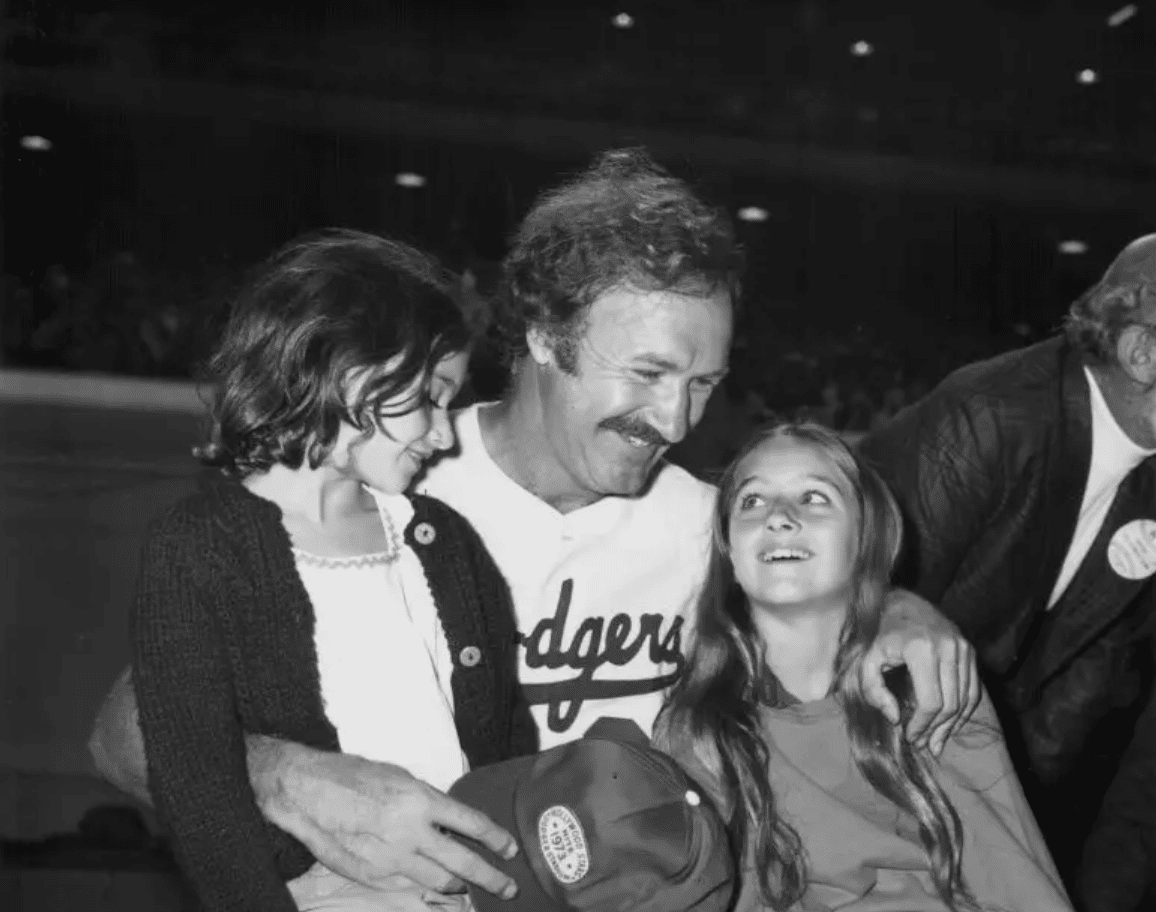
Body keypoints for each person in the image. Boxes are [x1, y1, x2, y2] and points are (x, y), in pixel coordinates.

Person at [90, 148, 978, 904]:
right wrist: (286, 778)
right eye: (645, 372)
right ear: (547, 338)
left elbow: (829, 601)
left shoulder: (711, 527)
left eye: (702, 383)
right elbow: (124, 735)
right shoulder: (386, 497)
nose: (674, 422)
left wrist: (901, 612)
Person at [127, 228, 535, 912]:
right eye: (430, 397)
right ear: (348, 373)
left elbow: (507, 733)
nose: (445, 432)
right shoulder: (197, 548)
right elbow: (198, 785)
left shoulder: (443, 541)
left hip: (466, 887)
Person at [658, 422, 1072, 912]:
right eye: (752, 501)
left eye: (814, 497)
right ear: (728, 547)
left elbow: (1015, 881)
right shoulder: (699, 727)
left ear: (866, 536)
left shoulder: (925, 687)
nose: (779, 517)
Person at [858, 234, 1156, 912]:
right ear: (1145, 353)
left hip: (1022, 829)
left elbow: (1140, 747)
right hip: (881, 819)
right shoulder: (988, 416)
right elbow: (833, 611)